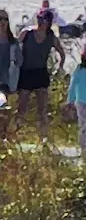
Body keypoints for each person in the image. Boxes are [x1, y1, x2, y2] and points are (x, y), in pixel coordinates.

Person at [15, 10, 66, 142]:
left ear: (48, 22)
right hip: (26, 73)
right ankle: (16, 136)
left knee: (42, 109)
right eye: (38, 18)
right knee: (22, 107)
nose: (39, 21)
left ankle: (44, 138)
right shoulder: (27, 33)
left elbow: (62, 53)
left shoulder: (51, 37)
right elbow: (14, 48)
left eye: (42, 19)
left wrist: (60, 68)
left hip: (41, 73)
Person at [0, 10, 16, 137]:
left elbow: (19, 61)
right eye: (0, 19)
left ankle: (3, 134)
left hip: (5, 81)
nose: (2, 22)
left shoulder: (12, 42)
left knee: (4, 108)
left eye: (5, 19)